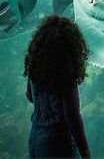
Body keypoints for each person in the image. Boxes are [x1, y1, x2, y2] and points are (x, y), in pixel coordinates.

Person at [23, 15, 91, 158]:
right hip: (58, 141)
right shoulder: (66, 75)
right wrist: (85, 151)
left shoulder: (35, 68)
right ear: (72, 46)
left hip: (35, 137)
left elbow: (29, 96)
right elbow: (72, 115)